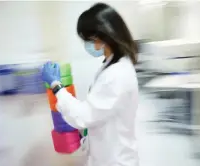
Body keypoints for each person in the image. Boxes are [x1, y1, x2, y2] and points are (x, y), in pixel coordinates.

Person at [42, 3, 139, 166]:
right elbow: (98, 113)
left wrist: (56, 86)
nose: (87, 44)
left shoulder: (116, 74)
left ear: (101, 37)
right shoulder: (110, 66)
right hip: (108, 156)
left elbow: (84, 116)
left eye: (88, 39)